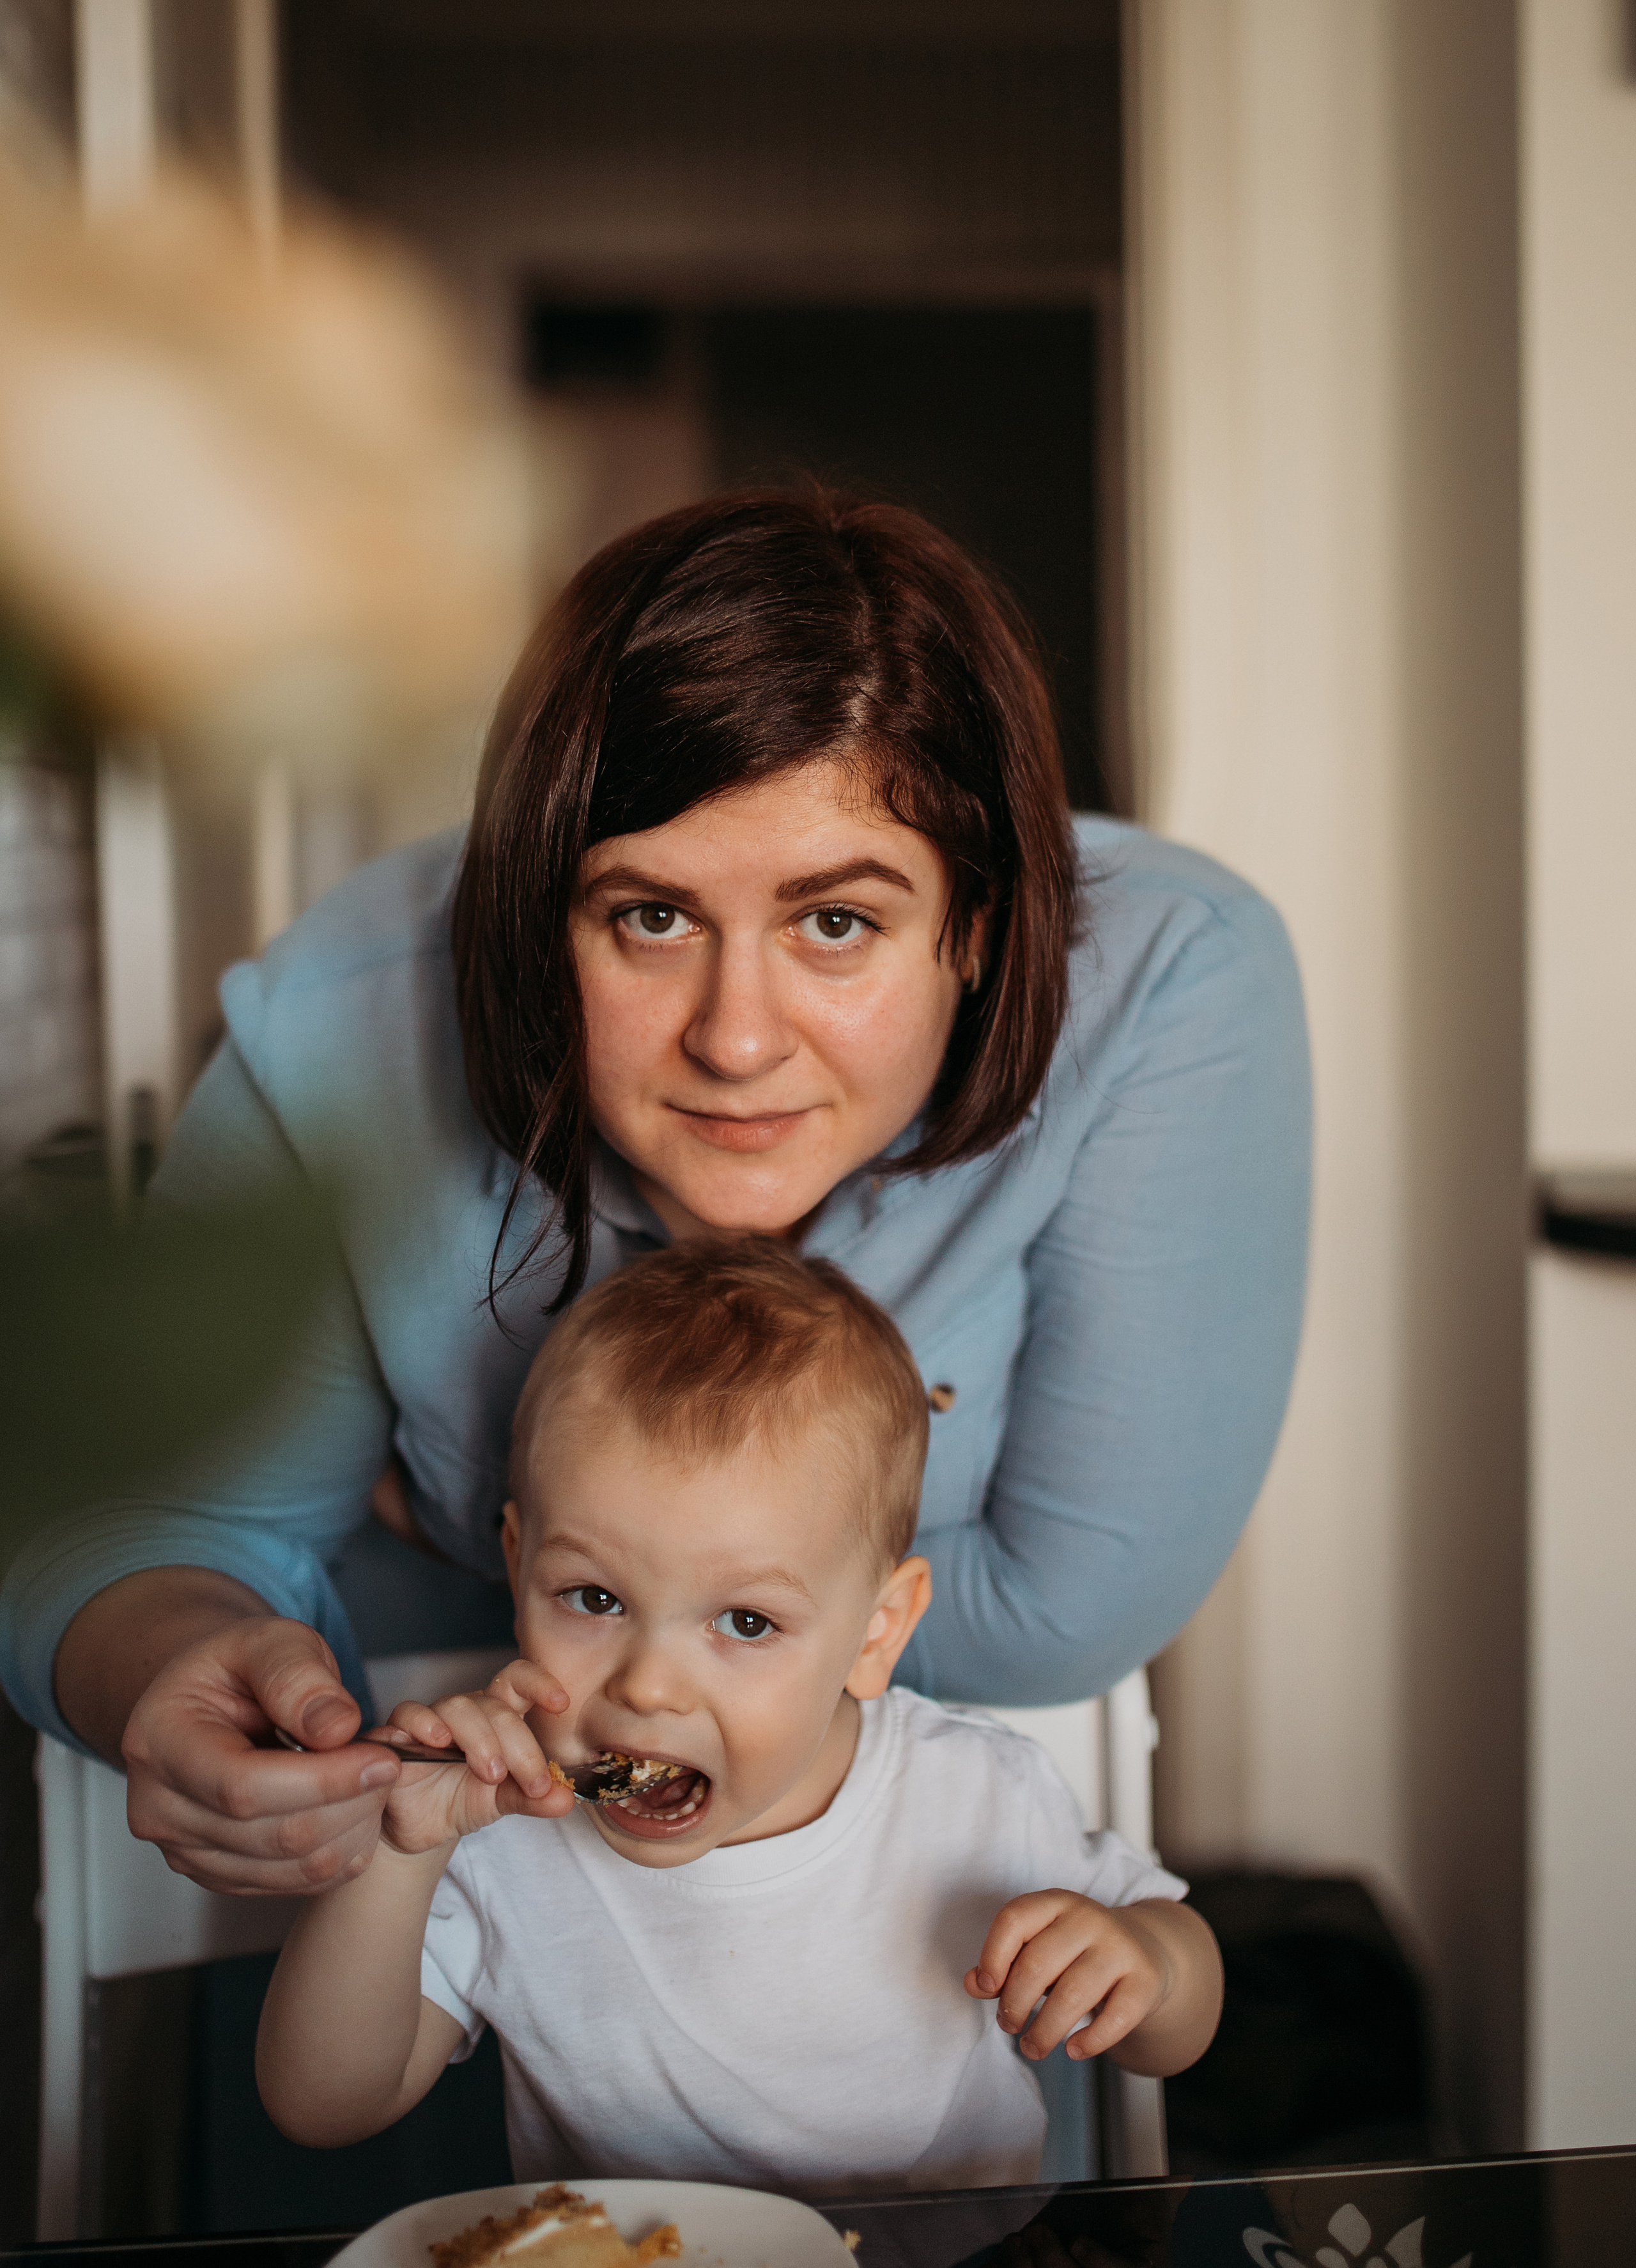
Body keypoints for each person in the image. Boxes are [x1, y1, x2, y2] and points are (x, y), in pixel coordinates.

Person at [0, 487, 1310, 1902]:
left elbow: (1064, 1612)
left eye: (835, 922)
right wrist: (167, 1654)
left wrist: (473, 1529)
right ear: (537, 913)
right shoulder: (344, 1021)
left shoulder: (1170, 981)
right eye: (652, 916)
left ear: (976, 928)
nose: (735, 1041)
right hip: (418, 1900)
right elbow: (137, 1527)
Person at [254, 1241, 1223, 2194]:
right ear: (519, 1570)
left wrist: (1151, 1966)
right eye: (594, 1599)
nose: (648, 1688)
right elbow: (321, 2106)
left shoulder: (975, 1794)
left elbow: (1174, 2034)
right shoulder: (491, 1834)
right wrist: (400, 1852)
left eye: (746, 1622)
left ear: (876, 1633)